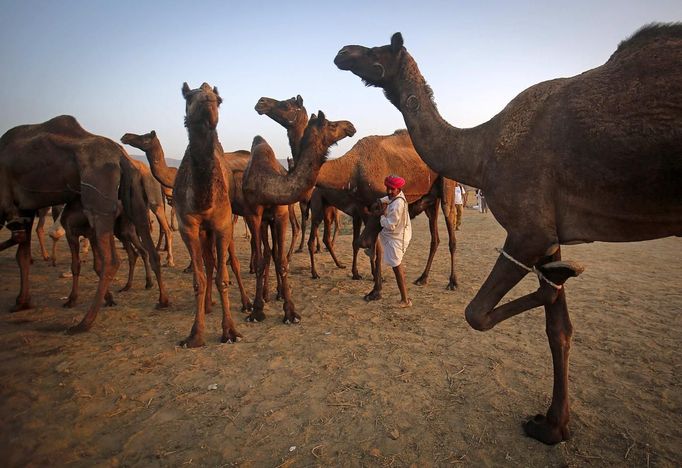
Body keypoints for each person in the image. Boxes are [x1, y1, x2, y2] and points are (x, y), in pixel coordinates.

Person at [376, 174, 412, 308]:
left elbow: (390, 224)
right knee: (397, 267)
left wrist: (382, 215)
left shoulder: (397, 205)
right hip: (397, 233)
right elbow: (388, 198)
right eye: (388, 188)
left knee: (397, 268)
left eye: (392, 189)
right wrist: (380, 200)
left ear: (398, 189)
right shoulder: (397, 196)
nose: (389, 191)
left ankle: (405, 300)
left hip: (398, 237)